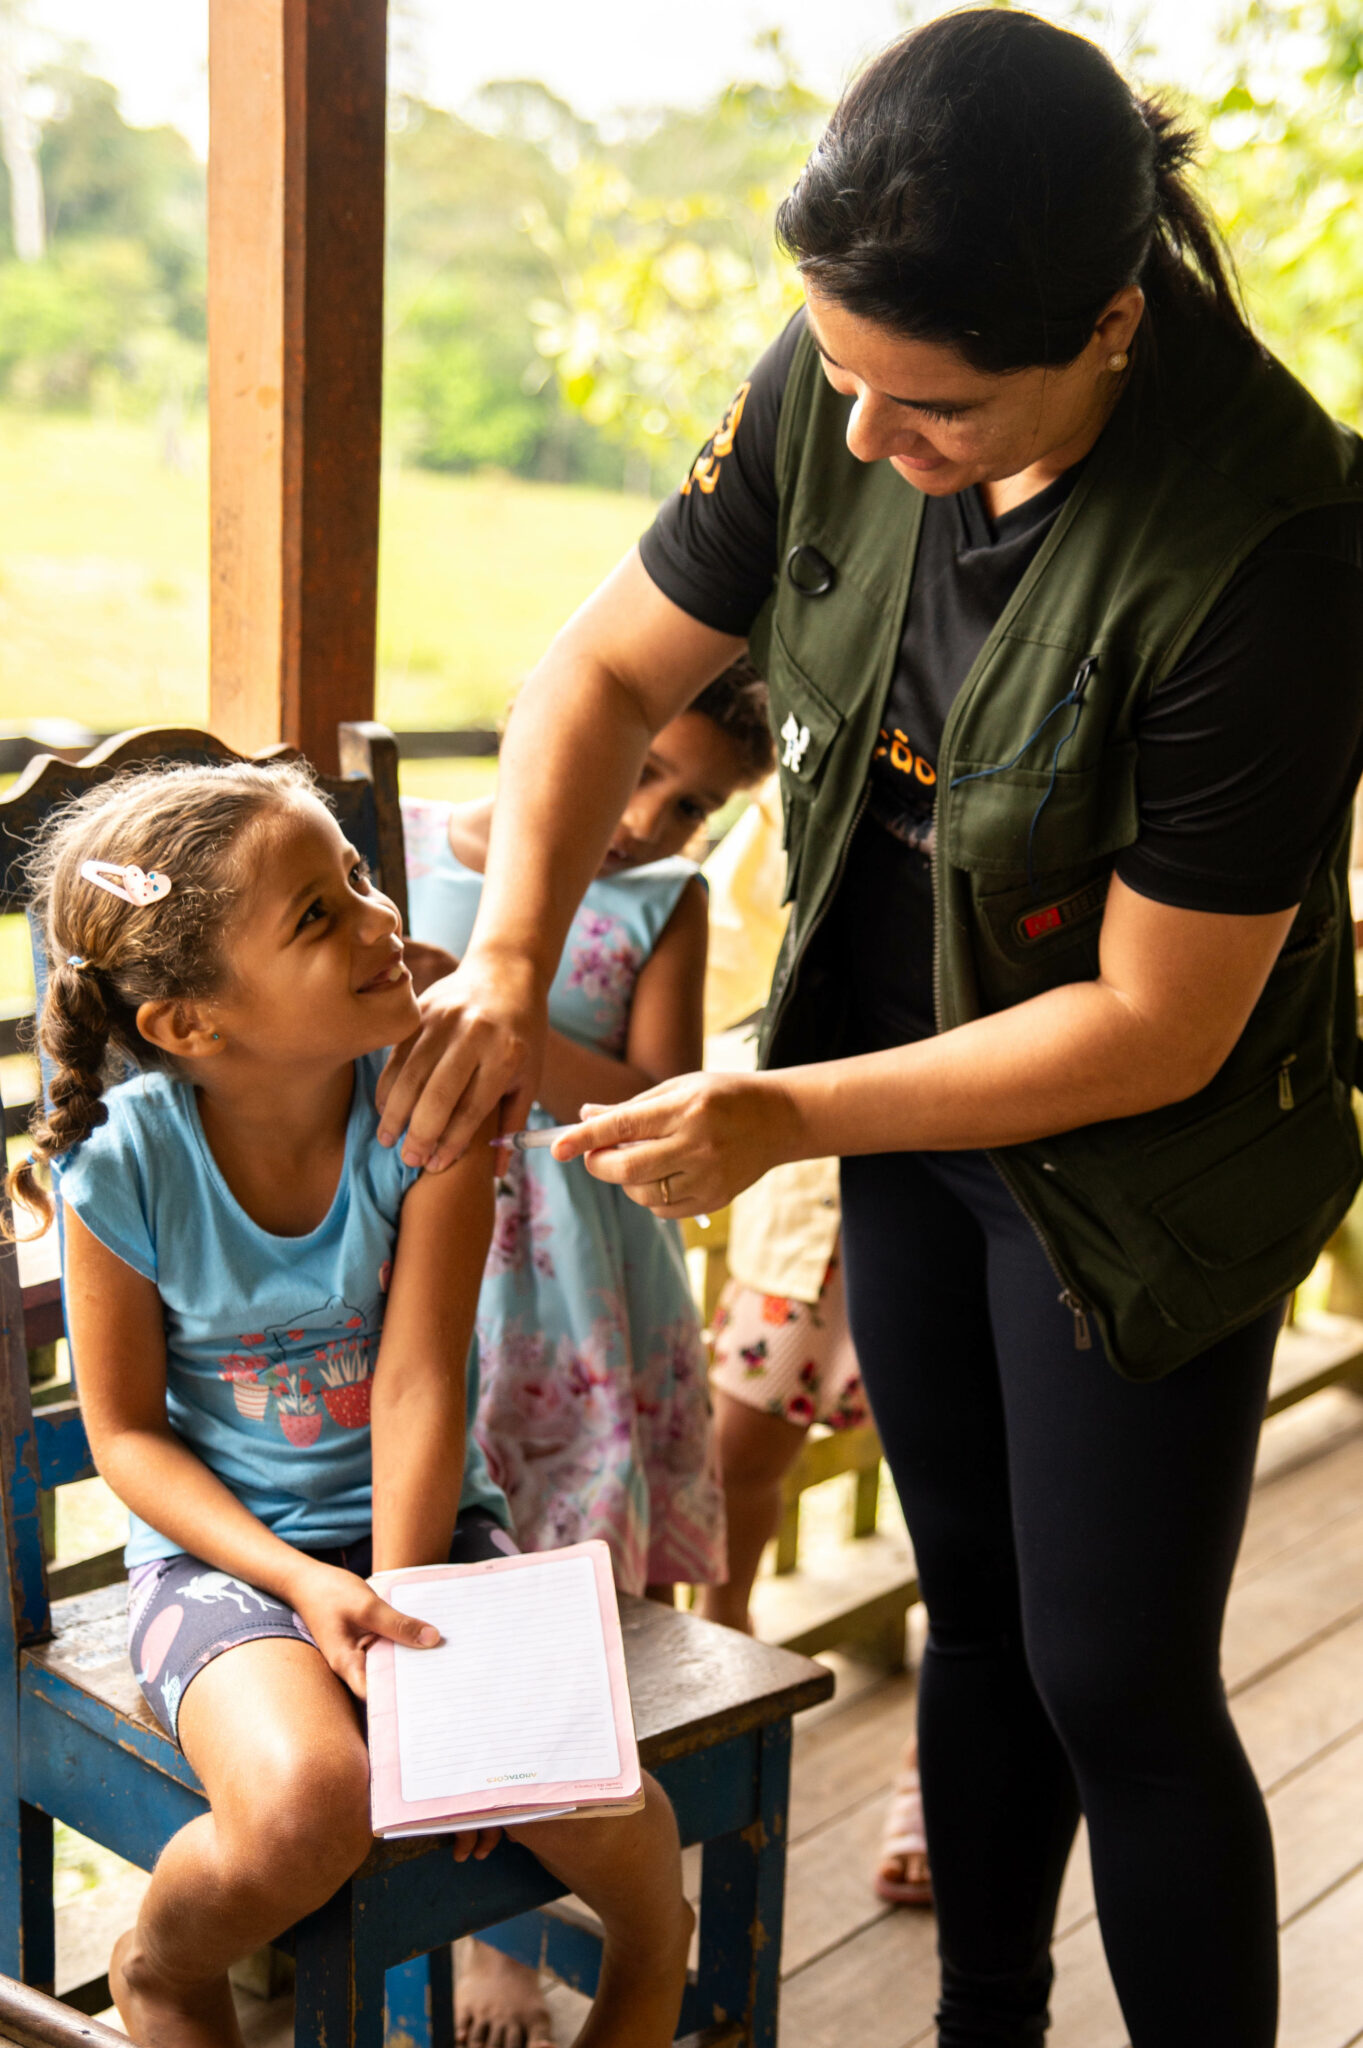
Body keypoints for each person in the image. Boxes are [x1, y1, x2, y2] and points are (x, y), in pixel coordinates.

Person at [372, 15, 1363, 2042]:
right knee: (977, 1622)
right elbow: (595, 675)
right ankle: (979, 2016)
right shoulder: (851, 378)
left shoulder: (1270, 551)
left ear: (1106, 324)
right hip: (900, 1117)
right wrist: (503, 956)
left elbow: (1162, 1026)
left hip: (1133, 1171)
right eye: (837, 371)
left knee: (1119, 1678)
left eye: (931, 407)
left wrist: (779, 1107)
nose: (864, 438)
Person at [9, 761, 693, 2048]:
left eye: (359, 878)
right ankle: (164, 1969)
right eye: (318, 915)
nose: (384, 920)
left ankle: (654, 1965)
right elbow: (130, 1439)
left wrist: (403, 1613)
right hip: (221, 1563)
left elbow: (422, 1375)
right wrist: (302, 1582)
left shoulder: (424, 1112)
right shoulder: (124, 1165)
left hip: (422, 1537)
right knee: (307, 1806)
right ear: (190, 1024)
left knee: (616, 1814)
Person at [399, 665, 773, 2048]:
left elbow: (656, 1096)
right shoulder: (397, 854)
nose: (644, 817)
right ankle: (475, 1917)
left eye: (690, 804)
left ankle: (547, 1916)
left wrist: (503, 1031)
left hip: (585, 1305)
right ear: (543, 732)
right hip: (432, 1295)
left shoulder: (657, 907)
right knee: (444, 1581)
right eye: (638, 770)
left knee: (570, 1607)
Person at [698, 785, 929, 1906]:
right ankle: (718, 1672)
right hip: (807, 1204)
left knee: (967, 1508)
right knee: (734, 1460)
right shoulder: (799, 792)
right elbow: (726, 957)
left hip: (957, 1187)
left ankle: (935, 1767)